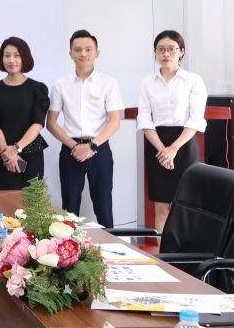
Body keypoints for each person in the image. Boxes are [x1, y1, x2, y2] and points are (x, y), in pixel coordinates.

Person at [47, 29, 124, 227]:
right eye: (78, 50)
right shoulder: (60, 85)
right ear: (70, 53)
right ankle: (68, 245)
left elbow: (114, 121)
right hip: (70, 150)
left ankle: (109, 245)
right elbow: (51, 122)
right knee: (70, 208)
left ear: (97, 52)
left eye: (88, 49)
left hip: (99, 149)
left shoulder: (108, 83)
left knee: (103, 205)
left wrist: (91, 146)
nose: (83, 54)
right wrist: (74, 146)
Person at [136, 30, 208, 231]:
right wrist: (162, 150)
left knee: (185, 207)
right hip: (157, 145)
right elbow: (144, 118)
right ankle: (163, 250)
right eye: (161, 49)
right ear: (155, 53)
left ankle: (184, 250)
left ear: (181, 52)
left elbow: (196, 118)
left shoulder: (193, 80)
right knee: (161, 208)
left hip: (184, 144)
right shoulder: (147, 83)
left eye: (171, 49)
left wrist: (173, 149)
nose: (166, 54)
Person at [0, 37, 50, 190]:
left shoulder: (38, 88)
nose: (11, 60)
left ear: (25, 57)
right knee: (3, 201)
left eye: (16, 55)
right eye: (7, 55)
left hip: (31, 153)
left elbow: (38, 122)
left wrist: (16, 148)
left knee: (33, 201)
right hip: (3, 155)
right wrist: (7, 152)